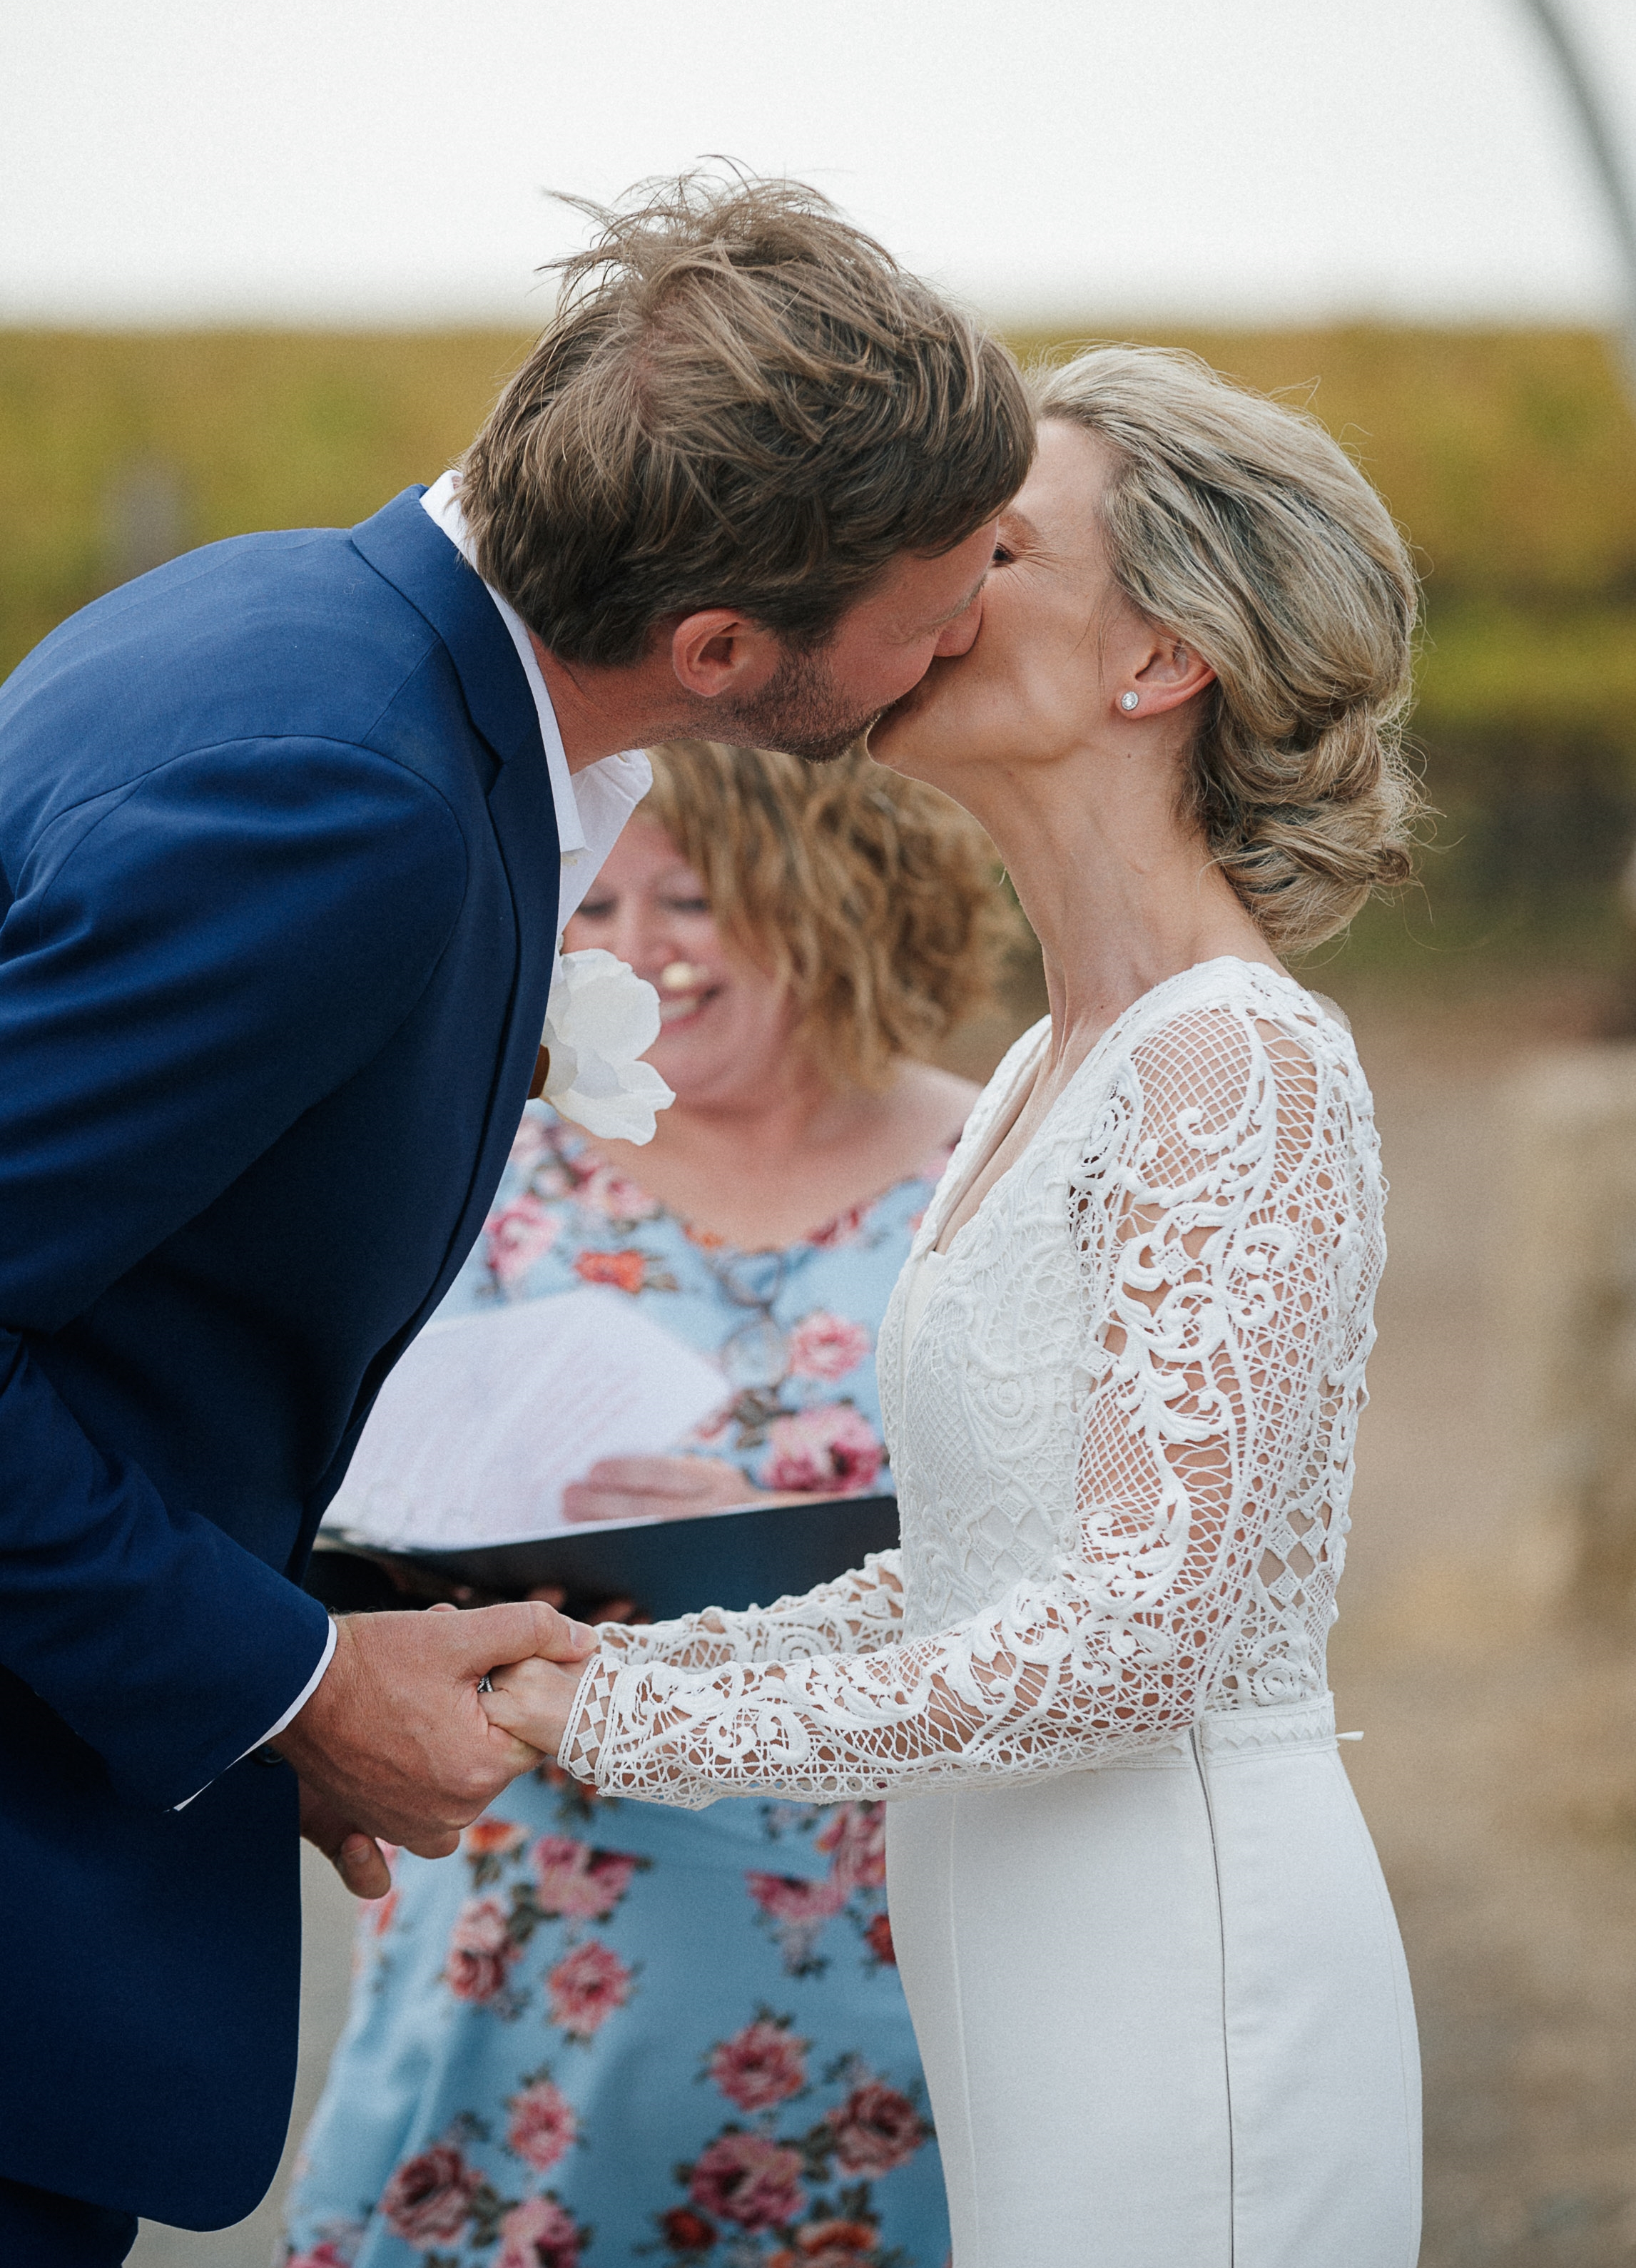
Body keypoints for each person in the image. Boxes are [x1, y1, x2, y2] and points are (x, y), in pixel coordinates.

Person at [0, 174, 1032, 2262]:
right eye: (939, 599)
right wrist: (291, 1684)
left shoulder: (290, 624)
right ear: (721, 646)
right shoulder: (349, 799)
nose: (972, 627)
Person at [482, 345, 1426, 2268]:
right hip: (1006, 1937)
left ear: (1160, 657)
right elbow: (984, 1569)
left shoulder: (1237, 1064)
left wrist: (640, 1727)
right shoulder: (1039, 1072)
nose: (914, 577)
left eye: (994, 548)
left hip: (1180, 1961)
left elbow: (1134, 1635)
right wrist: (630, 1664)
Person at [282, 741, 1010, 2268]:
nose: (637, 950)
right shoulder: (486, 1158)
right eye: (598, 905)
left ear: (839, 892)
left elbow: (1087, 1537)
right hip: (528, 1885)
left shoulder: (992, 1173)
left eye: (690, 897)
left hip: (863, 1887)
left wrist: (774, 1532)